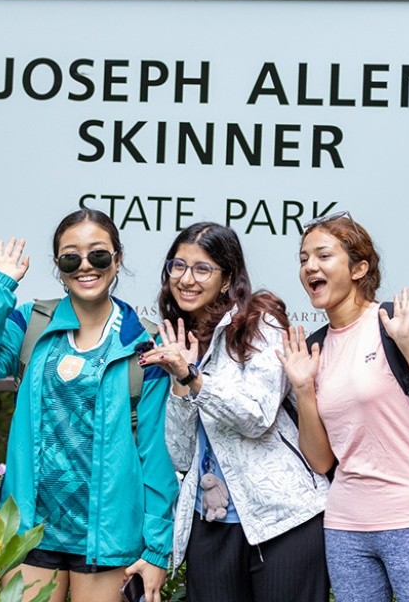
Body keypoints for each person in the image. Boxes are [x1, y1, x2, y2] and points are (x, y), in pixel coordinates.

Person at [0, 208, 178, 602]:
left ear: (117, 259)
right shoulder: (32, 324)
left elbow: (156, 456)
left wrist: (157, 548)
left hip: (108, 536)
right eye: (71, 257)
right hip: (30, 530)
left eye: (99, 255)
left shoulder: (144, 345)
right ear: (58, 266)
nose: (85, 266)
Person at [277, 211, 409, 602]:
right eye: (303, 258)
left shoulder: (396, 324)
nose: (310, 266)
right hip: (345, 524)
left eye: (323, 256)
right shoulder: (316, 346)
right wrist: (304, 389)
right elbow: (322, 462)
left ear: (359, 268)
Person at [139, 222, 330, 602]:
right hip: (211, 521)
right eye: (178, 266)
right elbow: (179, 453)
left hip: (284, 519)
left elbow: (257, 416)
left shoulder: (259, 321)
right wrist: (180, 384)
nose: (186, 279)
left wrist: (193, 379)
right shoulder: (181, 337)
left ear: (227, 279)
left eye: (202, 268)